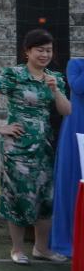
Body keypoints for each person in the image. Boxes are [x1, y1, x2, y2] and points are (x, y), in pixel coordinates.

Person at [0, 29, 72, 264]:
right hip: (16, 148)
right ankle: (17, 249)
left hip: (44, 146)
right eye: (40, 50)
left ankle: (42, 248)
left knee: (45, 197)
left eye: (48, 50)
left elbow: (67, 111)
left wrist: (55, 90)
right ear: (27, 51)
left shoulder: (54, 78)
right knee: (16, 195)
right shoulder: (13, 75)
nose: (45, 54)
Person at [50, 57, 84, 256]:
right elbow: (79, 88)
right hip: (77, 131)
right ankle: (68, 241)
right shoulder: (75, 64)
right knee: (73, 184)